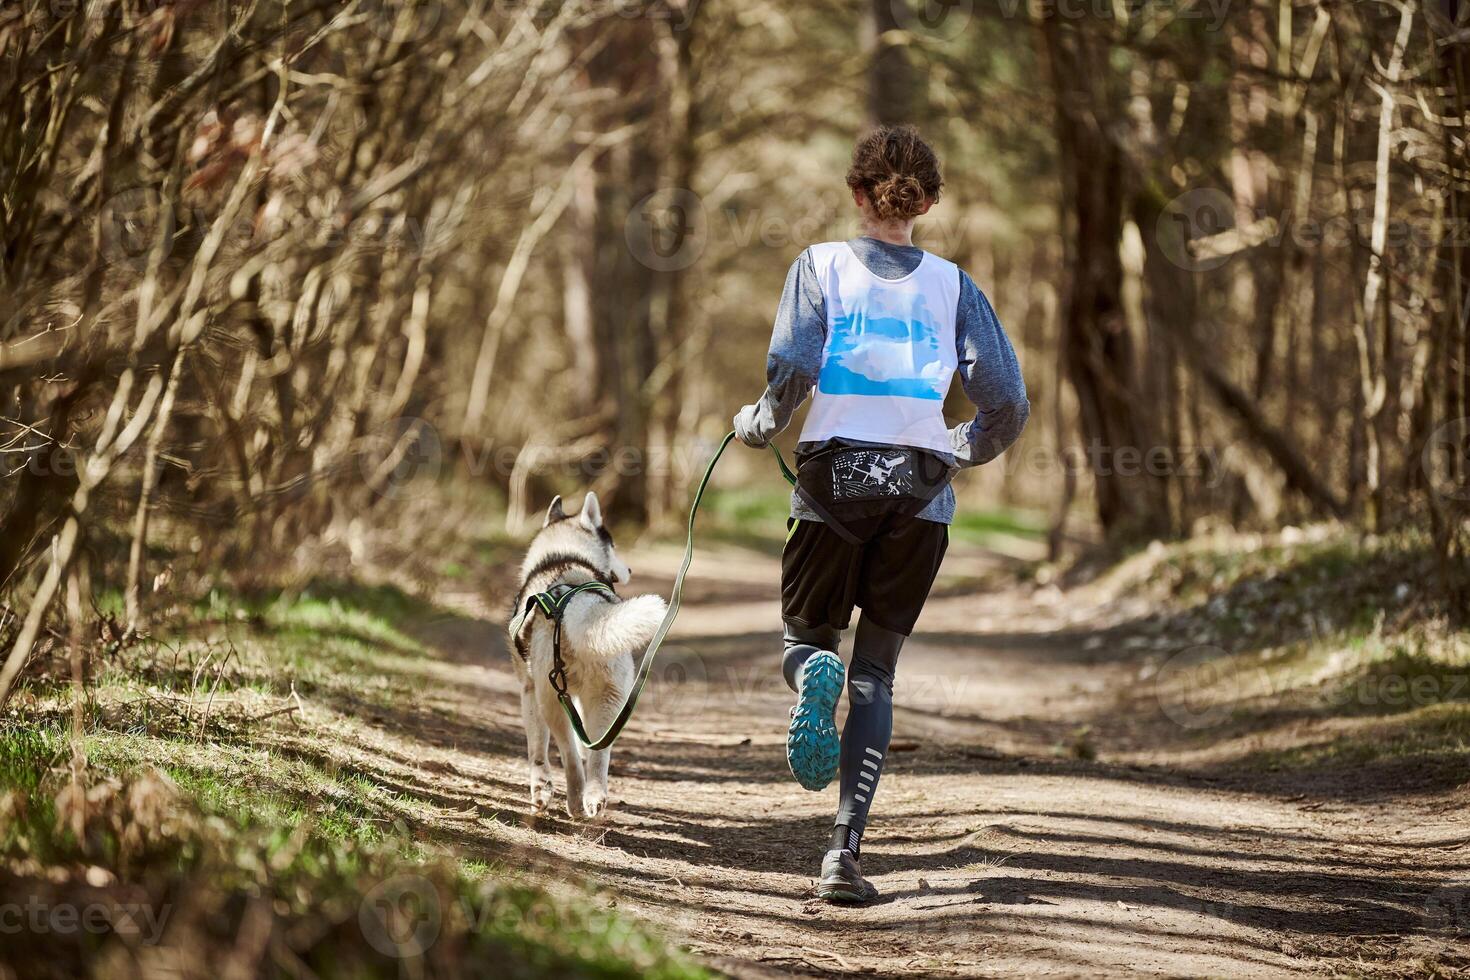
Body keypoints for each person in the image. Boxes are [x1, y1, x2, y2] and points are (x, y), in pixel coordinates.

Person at [733, 125, 1029, 903]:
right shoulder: (955, 285)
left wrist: (761, 420)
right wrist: (957, 448)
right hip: (921, 493)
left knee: (806, 642)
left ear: (857, 194)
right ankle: (843, 855)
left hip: (833, 480)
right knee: (876, 674)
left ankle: (809, 675)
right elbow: (1008, 399)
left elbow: (794, 369)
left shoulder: (819, 265)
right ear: (925, 202)